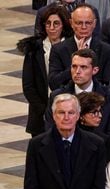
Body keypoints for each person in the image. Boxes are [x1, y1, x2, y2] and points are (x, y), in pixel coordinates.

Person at [45, 48, 110, 148]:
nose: (77, 71)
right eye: (74, 66)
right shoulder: (57, 96)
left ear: (94, 70)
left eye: (83, 67)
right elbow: (50, 129)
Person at [18, 4, 72, 136]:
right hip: (40, 113)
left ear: (63, 25)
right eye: (48, 24)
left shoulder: (71, 47)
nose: (52, 28)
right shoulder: (34, 49)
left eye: (56, 24)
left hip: (68, 110)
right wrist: (44, 110)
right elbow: (28, 86)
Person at [49, 4, 110, 91]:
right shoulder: (59, 50)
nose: (84, 27)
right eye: (79, 23)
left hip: (96, 101)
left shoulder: (106, 50)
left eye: (88, 23)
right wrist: (75, 64)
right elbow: (53, 83)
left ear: (94, 24)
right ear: (71, 23)